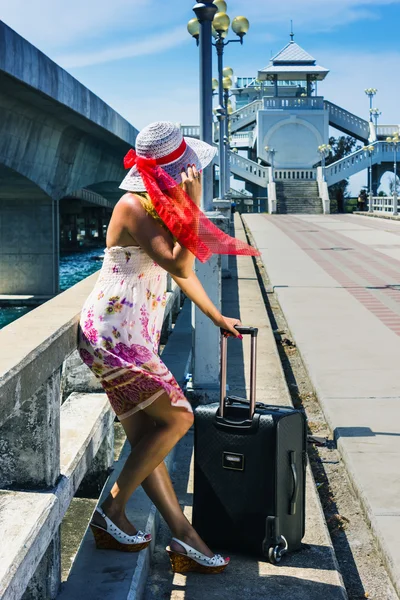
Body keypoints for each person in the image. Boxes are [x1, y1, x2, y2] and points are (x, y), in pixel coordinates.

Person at [77, 121, 259, 574]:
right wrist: (194, 206)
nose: (189, 176)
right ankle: (112, 511)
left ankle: (184, 536)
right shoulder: (133, 206)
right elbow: (180, 258)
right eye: (184, 171)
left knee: (147, 439)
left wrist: (216, 316)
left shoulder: (162, 205)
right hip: (114, 334)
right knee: (178, 416)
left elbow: (181, 273)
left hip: (127, 331)